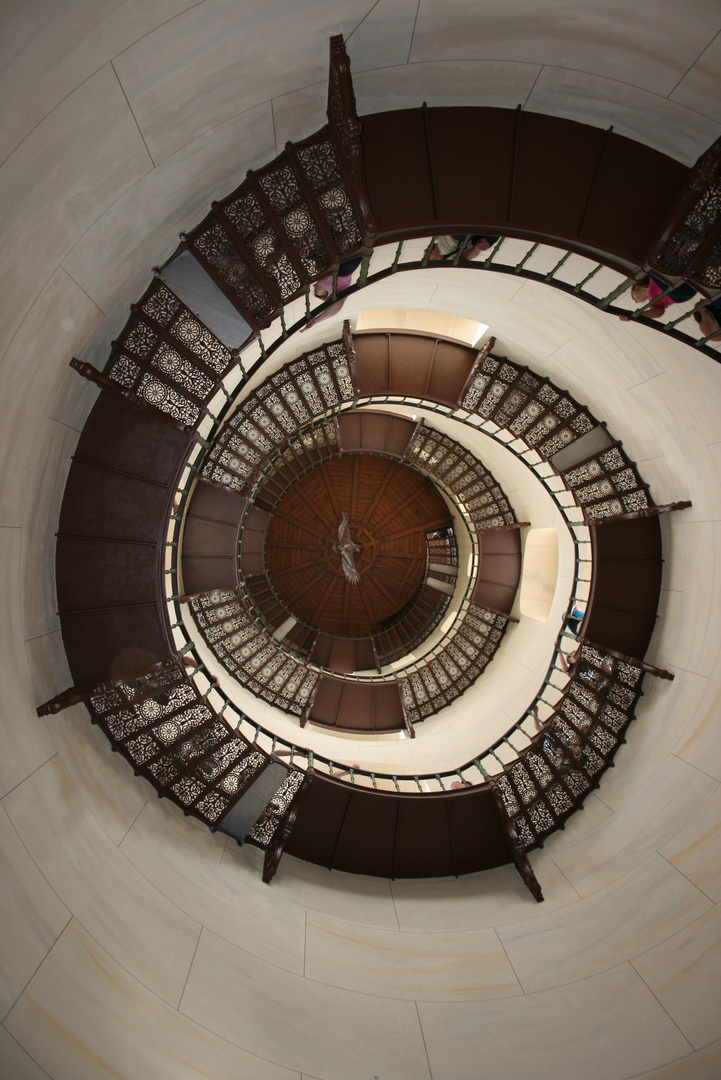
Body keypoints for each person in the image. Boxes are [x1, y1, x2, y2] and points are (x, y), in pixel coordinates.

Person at [301, 256, 363, 332]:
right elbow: (337, 307)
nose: (314, 286)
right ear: (326, 294)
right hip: (344, 270)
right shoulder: (336, 290)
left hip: (332, 261)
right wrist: (315, 321)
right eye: (316, 290)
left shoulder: (321, 272)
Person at [618, 275, 696, 321]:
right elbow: (659, 312)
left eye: (633, 297)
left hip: (675, 281)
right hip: (678, 293)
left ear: (636, 286)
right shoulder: (652, 302)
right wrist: (636, 315)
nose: (635, 301)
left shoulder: (651, 278)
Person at [429, 235, 500, 262]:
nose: (425, 250)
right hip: (457, 235)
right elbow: (465, 257)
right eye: (428, 256)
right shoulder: (447, 256)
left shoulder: (439, 240)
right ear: (439, 257)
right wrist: (478, 248)